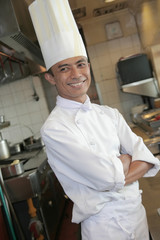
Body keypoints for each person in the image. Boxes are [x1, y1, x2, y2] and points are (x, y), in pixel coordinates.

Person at [29, 1, 160, 239]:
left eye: (80, 64)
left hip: (139, 219)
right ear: (50, 77)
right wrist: (126, 159)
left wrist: (113, 176)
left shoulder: (109, 114)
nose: (76, 74)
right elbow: (104, 178)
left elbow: (148, 159)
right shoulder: (54, 129)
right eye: (64, 68)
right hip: (104, 229)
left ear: (88, 66)